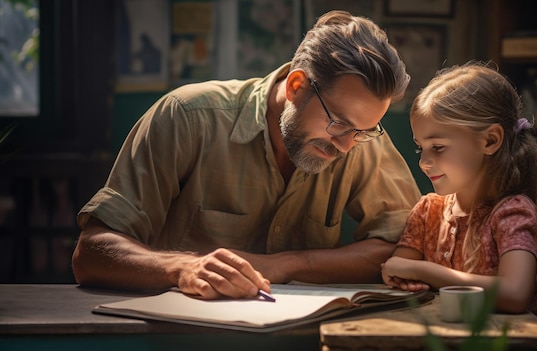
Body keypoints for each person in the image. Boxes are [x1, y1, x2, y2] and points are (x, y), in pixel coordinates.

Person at [72, 10, 420, 300]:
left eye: (363, 131)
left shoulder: (359, 140)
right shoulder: (187, 117)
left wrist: (288, 264)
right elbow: (91, 253)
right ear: (297, 86)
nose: (346, 146)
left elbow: (407, 248)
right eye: (338, 124)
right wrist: (182, 268)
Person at [380, 62, 537, 329]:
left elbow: (514, 294)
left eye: (438, 147)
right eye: (420, 148)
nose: (424, 162)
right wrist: (396, 273)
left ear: (490, 141)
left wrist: (422, 271)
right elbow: (398, 268)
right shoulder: (427, 212)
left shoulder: (513, 213)